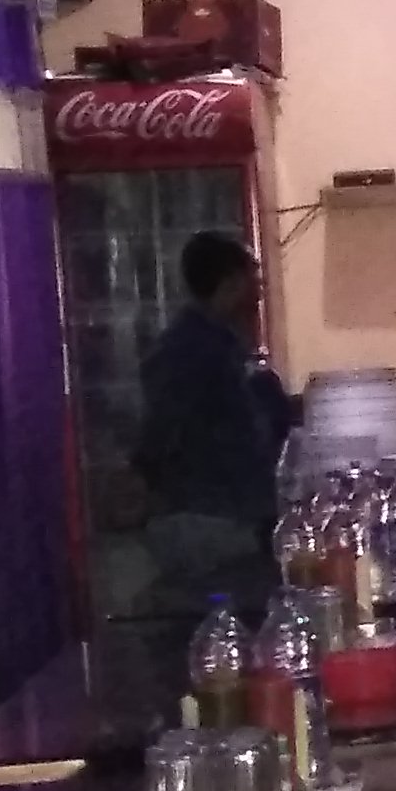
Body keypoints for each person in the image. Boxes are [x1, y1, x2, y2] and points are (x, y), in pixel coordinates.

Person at [134, 231, 294, 613]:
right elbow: (162, 431)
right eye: (253, 281)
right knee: (218, 623)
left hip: (232, 518)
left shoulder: (226, 347)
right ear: (231, 283)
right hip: (208, 521)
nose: (258, 293)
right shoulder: (190, 351)